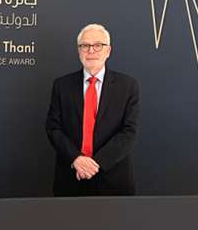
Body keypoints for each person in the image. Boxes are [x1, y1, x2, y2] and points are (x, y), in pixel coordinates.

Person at [45, 24, 140, 196]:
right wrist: (76, 159)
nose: (91, 51)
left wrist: (95, 164)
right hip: (71, 177)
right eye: (85, 46)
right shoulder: (61, 85)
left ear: (108, 50)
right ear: (78, 51)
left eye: (98, 45)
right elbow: (53, 128)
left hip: (113, 180)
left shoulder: (127, 86)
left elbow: (129, 132)